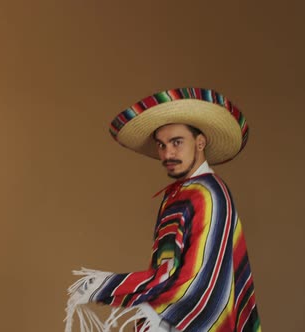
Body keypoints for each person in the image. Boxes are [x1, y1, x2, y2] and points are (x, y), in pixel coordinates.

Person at [64, 88, 261, 332]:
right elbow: (167, 269)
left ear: (200, 142)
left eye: (177, 142)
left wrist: (108, 285)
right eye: (161, 145)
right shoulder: (180, 192)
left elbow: (197, 281)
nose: (167, 153)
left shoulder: (209, 194)